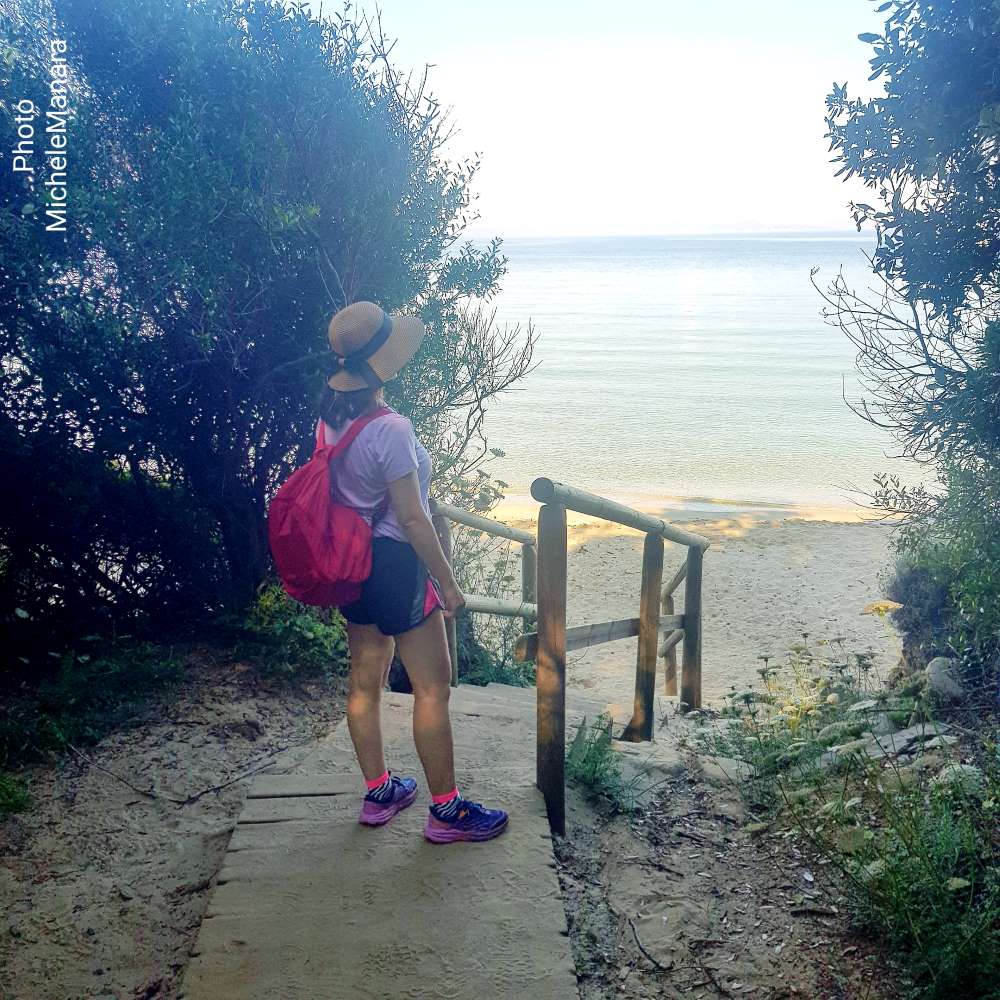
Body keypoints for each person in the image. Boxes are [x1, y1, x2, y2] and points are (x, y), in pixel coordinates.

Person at [318, 300, 509, 844]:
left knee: (364, 683)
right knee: (432, 688)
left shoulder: (330, 419)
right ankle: (446, 812)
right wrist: (448, 583)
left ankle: (379, 792)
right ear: (382, 361)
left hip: (352, 564)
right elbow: (412, 518)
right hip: (396, 567)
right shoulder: (392, 429)